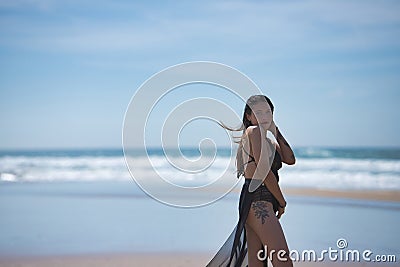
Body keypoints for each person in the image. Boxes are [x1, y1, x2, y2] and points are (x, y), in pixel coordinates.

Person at [206, 95, 296, 267]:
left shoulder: (268, 139)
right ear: (248, 115)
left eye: (268, 112)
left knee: (257, 264)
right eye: (259, 112)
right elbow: (264, 172)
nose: (264, 116)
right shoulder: (253, 132)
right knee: (284, 263)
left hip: (255, 202)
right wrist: (282, 202)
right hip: (258, 201)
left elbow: (290, 159)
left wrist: (275, 130)